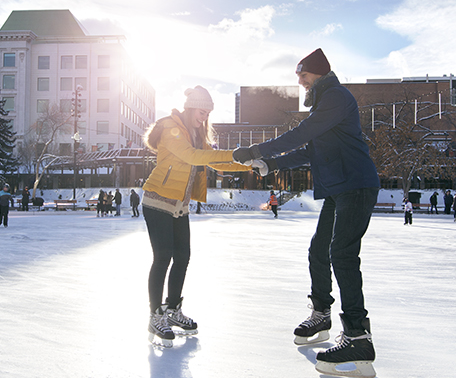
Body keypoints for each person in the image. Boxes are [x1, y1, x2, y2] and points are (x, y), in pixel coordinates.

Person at [232, 49, 380, 377]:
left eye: (303, 74)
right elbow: (308, 151)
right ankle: (321, 313)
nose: (299, 80)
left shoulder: (336, 97)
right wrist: (270, 163)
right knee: (319, 250)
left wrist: (258, 150)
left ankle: (358, 335)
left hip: (356, 185)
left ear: (320, 74)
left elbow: (302, 134)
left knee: (341, 253)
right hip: (339, 189)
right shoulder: (327, 105)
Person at [141, 85, 252, 348]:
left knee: (183, 256)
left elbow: (213, 160)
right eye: (202, 112)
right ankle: (155, 315)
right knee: (163, 257)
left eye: (207, 114)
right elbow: (193, 157)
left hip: (179, 204)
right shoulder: (170, 127)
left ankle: (173, 310)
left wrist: (247, 161)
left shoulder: (196, 132)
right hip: (157, 199)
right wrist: (236, 154)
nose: (204, 118)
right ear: (192, 107)